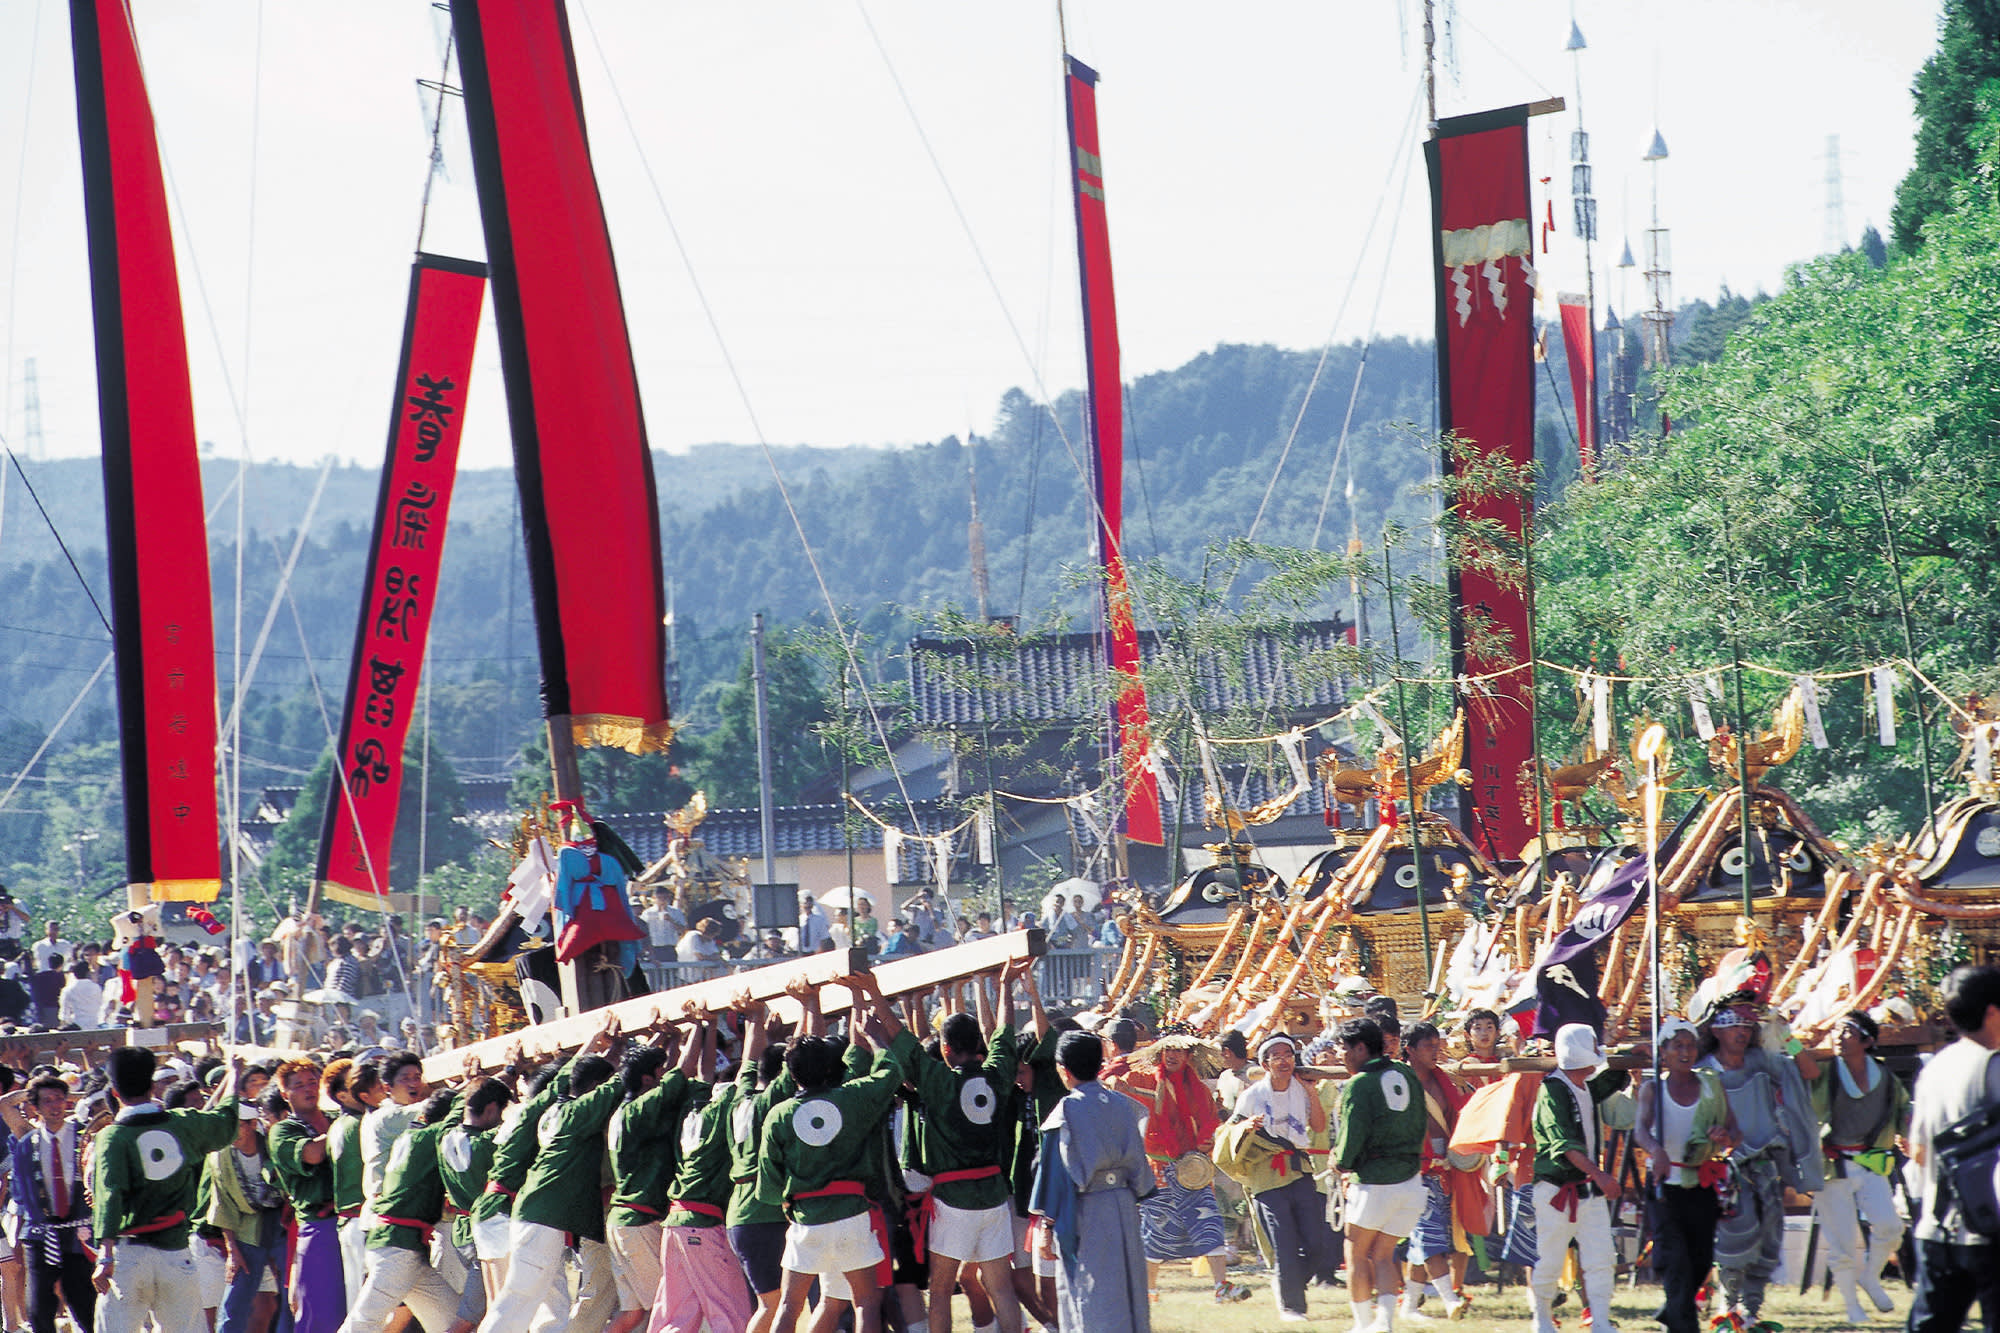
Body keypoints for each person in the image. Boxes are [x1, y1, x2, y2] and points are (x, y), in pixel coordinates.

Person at [756, 972, 917, 1333]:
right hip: (851, 1214)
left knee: (789, 1305)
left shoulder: (778, 1114)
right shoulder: (851, 1097)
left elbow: (769, 1185)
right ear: (831, 1068)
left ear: (791, 1073)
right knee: (866, 1302)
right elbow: (892, 1071)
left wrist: (789, 1201)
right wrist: (876, 1040)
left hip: (806, 1218)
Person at [476, 1013, 623, 1333]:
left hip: (524, 1211)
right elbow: (579, 1080)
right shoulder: (551, 1110)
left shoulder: (532, 1113)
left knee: (545, 1300)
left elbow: (567, 1077)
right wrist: (607, 1048)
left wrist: (598, 1046)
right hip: (534, 1213)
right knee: (519, 1297)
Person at [907, 961, 1033, 1333]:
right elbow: (1004, 1033)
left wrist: (872, 997)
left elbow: (901, 1041)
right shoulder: (996, 1074)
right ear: (978, 1044)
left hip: (953, 1198)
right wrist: (1004, 986)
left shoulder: (940, 1082)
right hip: (993, 1194)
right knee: (1001, 1287)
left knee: (940, 1290)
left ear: (945, 1048)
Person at [91, 1045, 243, 1333]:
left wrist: (105, 1253)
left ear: (115, 1092)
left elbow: (110, 1194)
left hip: (127, 1257)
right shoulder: (182, 1123)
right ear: (152, 1087)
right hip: (175, 1253)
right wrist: (234, 1077)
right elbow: (226, 1123)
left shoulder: (112, 1136)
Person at [1698, 1001, 1821, 1329]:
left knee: (1769, 1235)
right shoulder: (1702, 1069)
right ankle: (1728, 1306)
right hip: (1723, 1165)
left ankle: (1751, 1309)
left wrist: (1788, 1037)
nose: (1742, 1032)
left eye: (1746, 1026)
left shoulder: (1762, 1062)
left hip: (1765, 1161)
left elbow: (1809, 1072)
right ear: (1716, 1031)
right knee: (1734, 1234)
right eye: (1733, 1025)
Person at [1029, 1029, 1152, 1333]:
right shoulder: (1123, 1104)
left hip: (1087, 1208)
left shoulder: (1066, 1110)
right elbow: (1140, 1166)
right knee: (1127, 1285)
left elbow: (1056, 1173)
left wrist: (1046, 1225)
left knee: (1092, 1288)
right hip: (1124, 1205)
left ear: (1063, 1070)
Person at [1908, 963, 2000, 1331]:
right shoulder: (1993, 1066)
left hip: (1936, 1227)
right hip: (1990, 1227)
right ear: (1991, 1012)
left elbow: (1918, 1150)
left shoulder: (1935, 1067)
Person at [1804, 1008, 1909, 1322]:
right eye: (1836, 1030)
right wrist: (1788, 1040)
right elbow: (1801, 1063)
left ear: (1867, 1041)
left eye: (1847, 1031)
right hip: (1831, 1163)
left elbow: (1903, 1108)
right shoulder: (1825, 1070)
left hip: (1869, 1161)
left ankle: (1871, 1276)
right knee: (1843, 1242)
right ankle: (1852, 1307)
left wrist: (1908, 1129)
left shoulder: (1885, 1077)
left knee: (1891, 1227)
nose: (1839, 1036)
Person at [1632, 1018, 1736, 1333]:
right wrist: (1657, 1150)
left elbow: (1735, 1131)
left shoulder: (1711, 1087)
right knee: (1674, 1258)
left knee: (1700, 1259)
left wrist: (1723, 1136)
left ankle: (1674, 1309)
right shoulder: (1653, 1089)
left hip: (1701, 1183)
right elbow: (1640, 1129)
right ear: (1663, 1052)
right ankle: (1684, 1325)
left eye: (1690, 1045)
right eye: (1677, 1046)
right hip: (1664, 1185)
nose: (1685, 1052)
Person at [655, 1011, 754, 1333]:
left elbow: (704, 1070)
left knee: (677, 1315)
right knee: (730, 1312)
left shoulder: (691, 1109)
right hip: (702, 1223)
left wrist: (706, 1025)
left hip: (676, 1222)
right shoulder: (724, 1112)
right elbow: (747, 1072)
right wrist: (755, 1025)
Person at [1131, 1034, 1249, 1305]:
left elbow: (1210, 1121)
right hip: (1158, 1166)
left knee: (1209, 1222)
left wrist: (1207, 1140)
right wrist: (1118, 1078)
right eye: (1168, 1050)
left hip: (1194, 1169)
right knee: (1158, 1229)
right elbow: (1114, 1084)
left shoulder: (1199, 1089)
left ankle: (1221, 1286)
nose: (1172, 1055)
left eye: (1179, 1051)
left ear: (1189, 1056)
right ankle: (1148, 1289)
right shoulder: (1144, 1080)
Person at [1528, 1023, 1629, 1333]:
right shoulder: (1552, 1090)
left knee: (1601, 1258)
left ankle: (1600, 1321)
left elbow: (1609, 1080)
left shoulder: (1583, 1085)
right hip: (1556, 1190)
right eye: (1593, 1045)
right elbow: (1565, 1145)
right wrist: (1600, 1176)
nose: (1597, 1050)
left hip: (1588, 1190)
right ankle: (1541, 1319)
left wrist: (1629, 1055)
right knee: (1549, 1259)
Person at [338, 1087, 464, 1333]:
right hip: (397, 1249)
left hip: (402, 1246)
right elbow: (453, 1121)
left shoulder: (411, 1136)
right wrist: (473, 1089)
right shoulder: (429, 1137)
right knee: (363, 1324)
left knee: (452, 1323)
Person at [606, 1025, 703, 1333]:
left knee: (632, 1314)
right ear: (647, 1079)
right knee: (669, 1308)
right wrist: (700, 1024)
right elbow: (685, 1070)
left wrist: (672, 1038)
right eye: (660, 1072)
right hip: (638, 1223)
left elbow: (671, 1071)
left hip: (623, 1221)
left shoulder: (623, 1111)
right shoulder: (640, 1109)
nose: (665, 1075)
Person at [1331, 1018, 1424, 1332]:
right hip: (1411, 1180)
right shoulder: (1406, 1072)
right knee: (1384, 1254)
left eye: (1343, 1048)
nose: (1340, 1055)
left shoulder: (1360, 1083)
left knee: (1355, 1252)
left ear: (1360, 1048)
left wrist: (1340, 1162)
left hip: (1374, 1183)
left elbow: (1351, 1138)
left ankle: (1362, 1325)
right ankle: (1384, 1323)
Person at [0, 1074, 94, 1333]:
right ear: (36, 1107)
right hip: (41, 1232)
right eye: (48, 1101)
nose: (55, 1106)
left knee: (84, 1303)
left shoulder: (82, 1136)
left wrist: (71, 1094)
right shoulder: (28, 1137)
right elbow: (5, 1104)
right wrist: (33, 1089)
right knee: (39, 1308)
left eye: (59, 1099)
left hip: (77, 1230)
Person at [1399, 1019, 1474, 1322]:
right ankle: (1449, 1300)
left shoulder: (1445, 1078)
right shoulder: (1398, 1082)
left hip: (1446, 1167)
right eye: (1428, 1046)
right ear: (1409, 1050)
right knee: (1429, 1233)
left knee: (1426, 1234)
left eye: (1437, 1045)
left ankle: (1409, 1306)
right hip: (1413, 1168)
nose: (1435, 1051)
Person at [268, 1057, 346, 1333]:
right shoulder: (283, 1131)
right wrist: (347, 1126)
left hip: (353, 1221)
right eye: (298, 1085)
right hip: (320, 1227)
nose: (308, 1089)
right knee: (322, 1317)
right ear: (284, 1093)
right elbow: (312, 1154)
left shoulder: (337, 1119)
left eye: (312, 1082)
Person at [207, 1100, 287, 1333]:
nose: (231, 1134)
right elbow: (222, 1203)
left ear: (252, 1124)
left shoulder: (273, 1144)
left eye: (237, 1126)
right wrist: (232, 1250)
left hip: (283, 1223)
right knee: (234, 1303)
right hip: (247, 1228)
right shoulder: (220, 1156)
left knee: (293, 1293)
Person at [28, 956, 62, 1030]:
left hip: (39, 1007)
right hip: (53, 1007)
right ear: (61, 964)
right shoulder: (59, 976)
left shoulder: (38, 976)